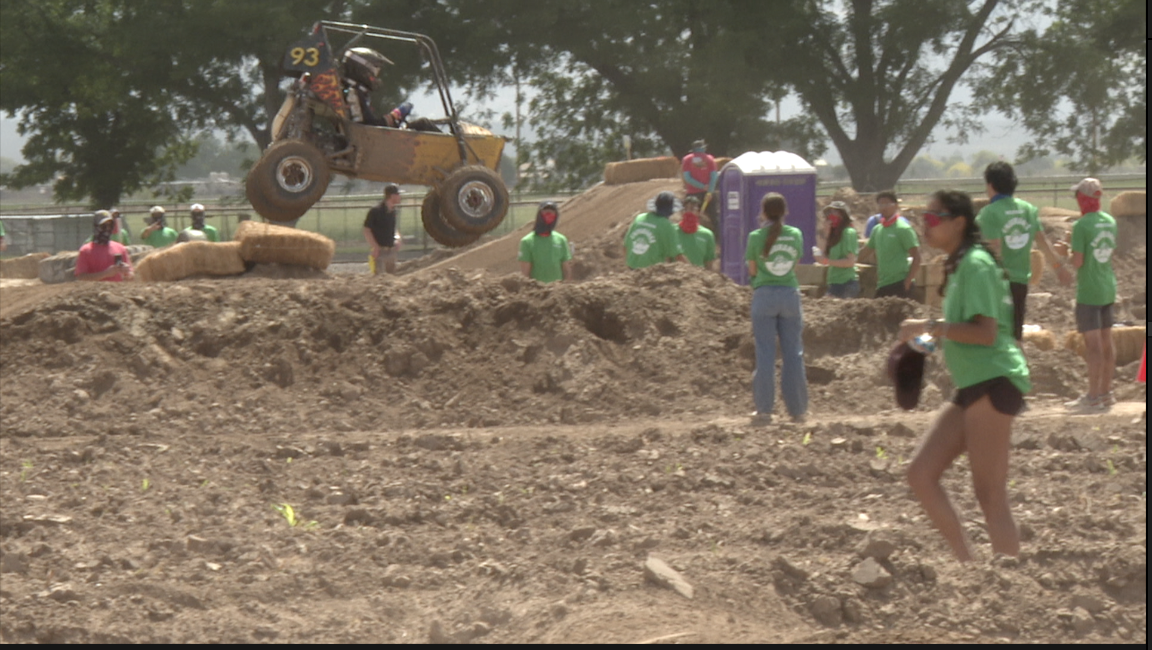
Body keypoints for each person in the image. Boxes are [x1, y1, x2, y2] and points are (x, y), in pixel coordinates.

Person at [898, 189, 1029, 562]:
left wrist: (932, 326)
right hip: (973, 383)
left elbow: (986, 333)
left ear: (958, 222)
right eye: (924, 217)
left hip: (994, 378)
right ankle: (969, 567)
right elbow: (960, 330)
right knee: (920, 474)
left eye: (934, 217)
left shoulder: (975, 264)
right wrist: (922, 344)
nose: (926, 224)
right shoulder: (959, 264)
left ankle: (1008, 584)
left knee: (990, 494)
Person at [976, 162, 1071, 341]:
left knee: (996, 337)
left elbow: (994, 248)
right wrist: (1058, 267)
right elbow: (1042, 242)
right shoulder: (1028, 210)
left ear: (990, 185)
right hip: (1020, 282)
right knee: (1015, 336)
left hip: (997, 284)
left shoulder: (989, 213)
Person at [746, 192, 808, 424]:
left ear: (763, 212)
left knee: (765, 353)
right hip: (790, 294)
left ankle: (764, 410)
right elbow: (796, 263)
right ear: (785, 212)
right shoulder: (795, 235)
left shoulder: (755, 237)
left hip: (764, 295)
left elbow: (752, 270)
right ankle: (798, 410)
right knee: (794, 353)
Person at [1062, 177, 1118, 412]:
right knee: (1107, 342)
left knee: (1092, 345)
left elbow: (1078, 262)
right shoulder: (1110, 221)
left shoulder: (1081, 226)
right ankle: (1106, 393)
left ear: (1082, 199)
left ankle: (1092, 397)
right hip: (1107, 287)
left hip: (1089, 291)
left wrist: (1062, 252)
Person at [866, 190, 921, 299]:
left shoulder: (903, 228)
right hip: (883, 283)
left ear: (895, 206)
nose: (883, 207)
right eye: (881, 204)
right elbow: (867, 250)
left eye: (887, 204)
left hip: (900, 283)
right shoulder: (877, 229)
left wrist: (908, 282)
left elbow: (917, 257)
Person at [624, 191, 686, 269]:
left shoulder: (639, 218)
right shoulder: (667, 225)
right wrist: (693, 271)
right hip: (651, 271)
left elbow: (625, 246)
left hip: (632, 268)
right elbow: (678, 256)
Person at [518, 201, 572, 283]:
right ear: (539, 215)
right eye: (545, 211)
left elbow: (566, 269)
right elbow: (525, 274)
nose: (549, 214)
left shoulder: (561, 240)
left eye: (552, 211)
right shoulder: (527, 241)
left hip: (557, 291)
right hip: (537, 291)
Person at [814, 201, 859, 298]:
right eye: (830, 213)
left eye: (836, 212)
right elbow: (822, 253)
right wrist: (826, 233)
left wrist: (827, 261)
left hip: (846, 283)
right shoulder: (833, 235)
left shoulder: (848, 232)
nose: (832, 216)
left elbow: (850, 262)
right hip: (834, 282)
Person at [76, 211, 134, 282]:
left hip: (117, 291)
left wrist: (127, 272)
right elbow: (81, 277)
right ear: (96, 227)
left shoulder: (120, 248)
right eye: (103, 226)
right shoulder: (86, 250)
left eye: (110, 225)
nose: (107, 229)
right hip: (95, 291)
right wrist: (105, 274)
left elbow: (131, 275)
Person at [342, 47, 393, 126]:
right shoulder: (353, 93)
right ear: (362, 70)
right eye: (375, 72)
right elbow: (368, 126)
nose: (376, 78)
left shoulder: (354, 91)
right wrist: (395, 116)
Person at [363, 184, 403, 275]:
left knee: (392, 279)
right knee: (380, 279)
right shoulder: (375, 211)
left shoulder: (393, 211)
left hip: (391, 252)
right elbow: (366, 230)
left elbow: (394, 228)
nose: (400, 197)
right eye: (398, 195)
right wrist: (375, 247)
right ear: (392, 196)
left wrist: (397, 239)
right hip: (380, 252)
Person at [681, 140, 718, 228]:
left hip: (693, 193)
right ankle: (718, 238)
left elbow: (687, 178)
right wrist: (710, 191)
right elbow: (713, 176)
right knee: (714, 217)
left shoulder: (687, 159)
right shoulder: (710, 159)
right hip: (708, 193)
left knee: (689, 215)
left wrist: (702, 186)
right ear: (703, 148)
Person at [675, 196, 717, 270]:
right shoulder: (672, 232)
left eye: (692, 209)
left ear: (698, 212)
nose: (688, 212)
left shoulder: (707, 235)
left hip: (697, 279)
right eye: (685, 209)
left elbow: (709, 264)